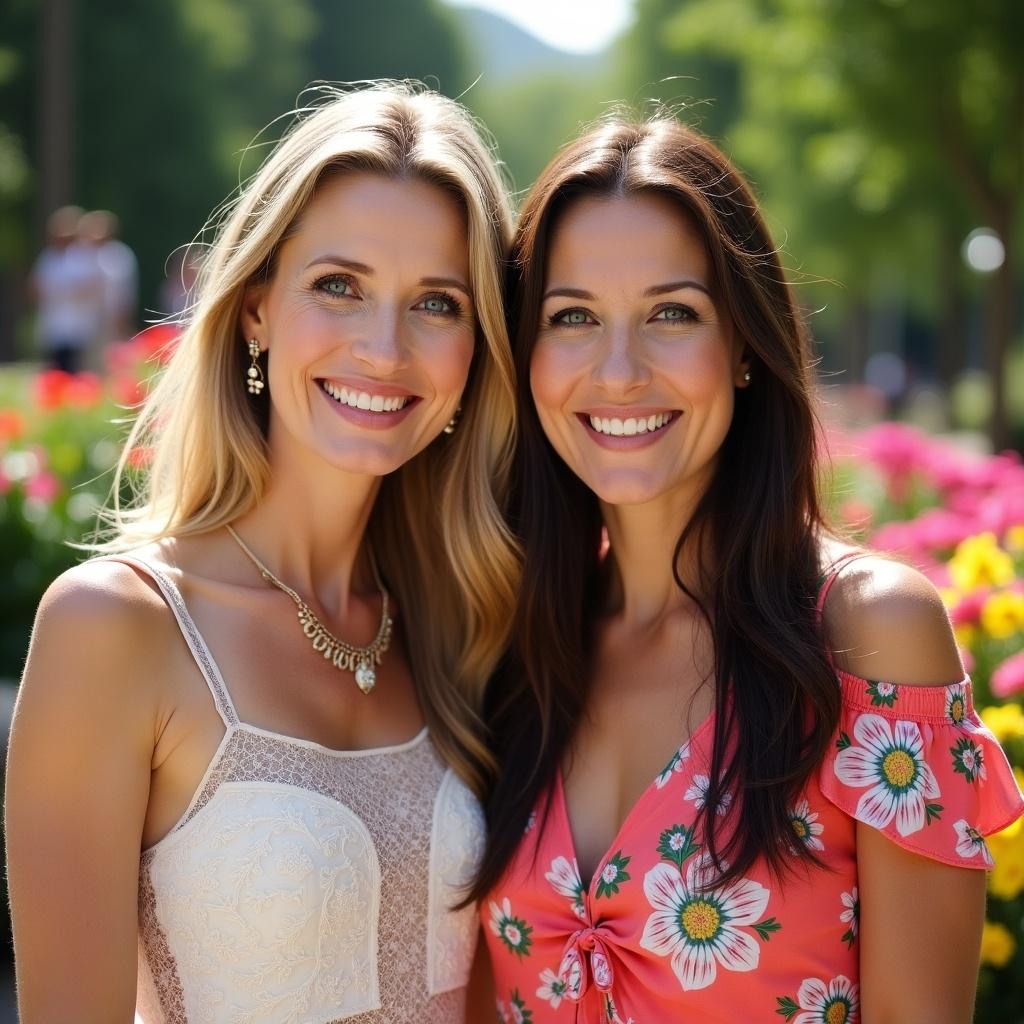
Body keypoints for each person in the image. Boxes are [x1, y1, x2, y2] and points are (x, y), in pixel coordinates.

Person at [471, 117, 1024, 1024]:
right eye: (572, 317)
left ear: (741, 349)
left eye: (671, 314)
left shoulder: (866, 633)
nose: (618, 371)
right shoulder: (518, 642)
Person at [6, 82, 519, 1023]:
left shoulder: (466, 623)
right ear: (253, 310)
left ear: (478, 347)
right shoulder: (117, 626)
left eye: (436, 303)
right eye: (339, 286)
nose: (383, 347)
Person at [29, 204, 104, 373]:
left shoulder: (86, 256)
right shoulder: (49, 257)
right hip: (55, 327)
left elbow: (94, 287)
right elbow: (35, 288)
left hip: (80, 329)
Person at [80, 208, 139, 354]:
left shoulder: (119, 254)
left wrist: (122, 318)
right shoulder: (80, 255)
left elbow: (123, 291)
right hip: (84, 324)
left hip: (112, 321)